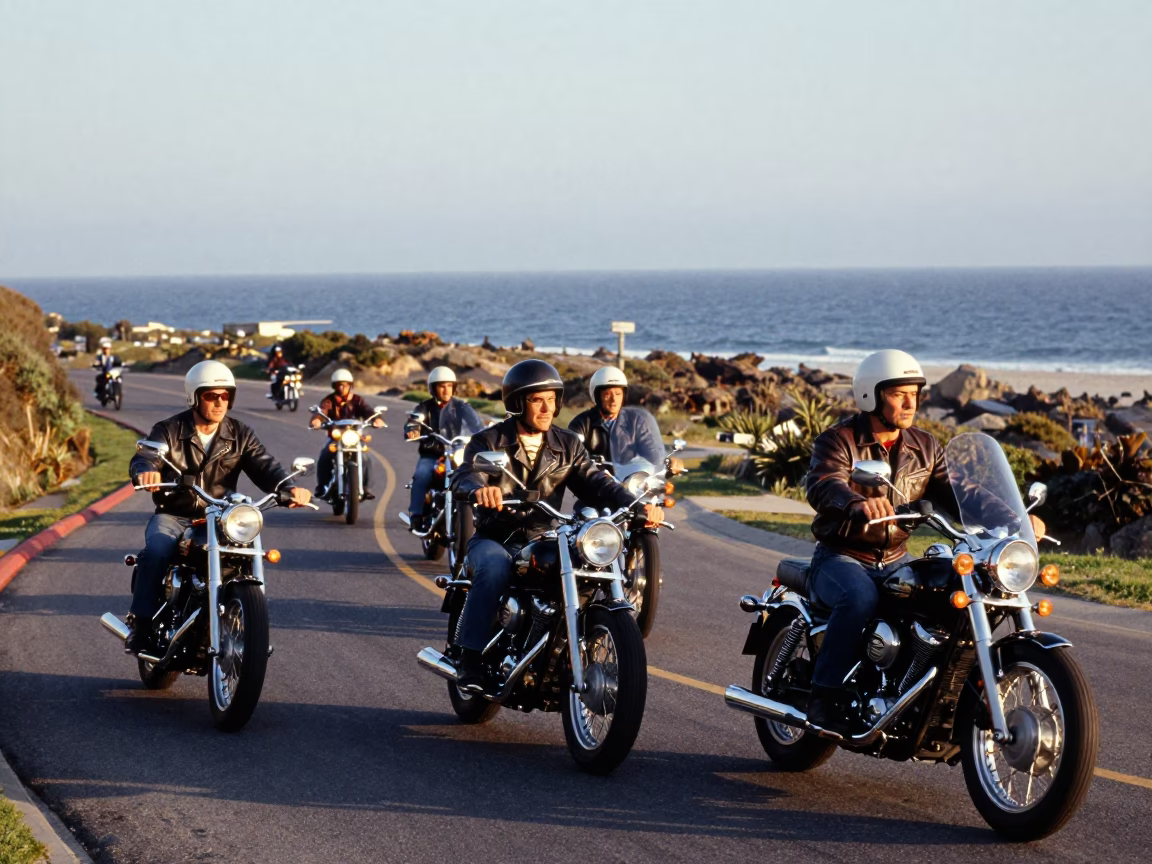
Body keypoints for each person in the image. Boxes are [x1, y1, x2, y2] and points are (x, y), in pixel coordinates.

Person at [804, 349, 1045, 733]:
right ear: (872, 395)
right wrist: (854, 502)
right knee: (860, 599)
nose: (909, 401)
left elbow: (963, 492)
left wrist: (1016, 519)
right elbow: (823, 481)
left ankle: (926, 692)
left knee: (943, 595)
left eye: (914, 393)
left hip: (895, 557)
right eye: (899, 393)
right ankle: (824, 695)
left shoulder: (925, 446)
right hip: (841, 556)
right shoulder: (839, 440)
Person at [450, 359, 665, 692]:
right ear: (518, 402)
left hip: (545, 537)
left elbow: (597, 482)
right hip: (497, 537)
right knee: (494, 568)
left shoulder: (567, 445)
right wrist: (480, 488)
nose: (547, 407)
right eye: (538, 400)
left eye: (552, 399)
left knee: (588, 571)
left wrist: (638, 505)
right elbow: (465, 475)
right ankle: (470, 659)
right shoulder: (489, 440)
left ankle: (566, 649)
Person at [127, 360, 311, 653]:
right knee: (158, 551)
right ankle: (142, 623)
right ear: (195, 397)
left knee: (245, 553)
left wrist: (287, 488)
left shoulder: (240, 434)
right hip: (175, 514)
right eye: (212, 396)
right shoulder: (169, 429)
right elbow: (147, 455)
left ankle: (242, 620)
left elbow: (264, 465)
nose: (219, 402)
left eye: (225, 396)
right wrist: (146, 471)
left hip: (221, 517)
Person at [404, 366, 485, 530]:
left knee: (477, 474)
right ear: (433, 388)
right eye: (442, 386)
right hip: (432, 453)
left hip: (456, 451)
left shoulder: (461, 407)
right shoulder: (424, 407)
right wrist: (412, 429)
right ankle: (416, 515)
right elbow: (415, 419)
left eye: (449, 385)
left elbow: (477, 425)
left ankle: (481, 515)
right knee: (422, 474)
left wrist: (486, 434)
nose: (446, 389)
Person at [309, 368, 385, 499]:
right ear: (334, 386)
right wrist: (317, 419)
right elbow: (322, 411)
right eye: (338, 384)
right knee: (324, 456)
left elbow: (368, 411)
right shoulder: (329, 400)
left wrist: (376, 419)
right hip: (336, 437)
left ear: (350, 385)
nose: (341, 387)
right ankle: (322, 486)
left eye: (345, 384)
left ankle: (365, 487)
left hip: (355, 437)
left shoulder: (357, 400)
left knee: (367, 458)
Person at [567, 365, 628, 460]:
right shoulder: (581, 424)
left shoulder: (634, 423)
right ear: (597, 396)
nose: (614, 400)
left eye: (618, 394)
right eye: (607, 395)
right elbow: (571, 455)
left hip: (628, 474)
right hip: (593, 474)